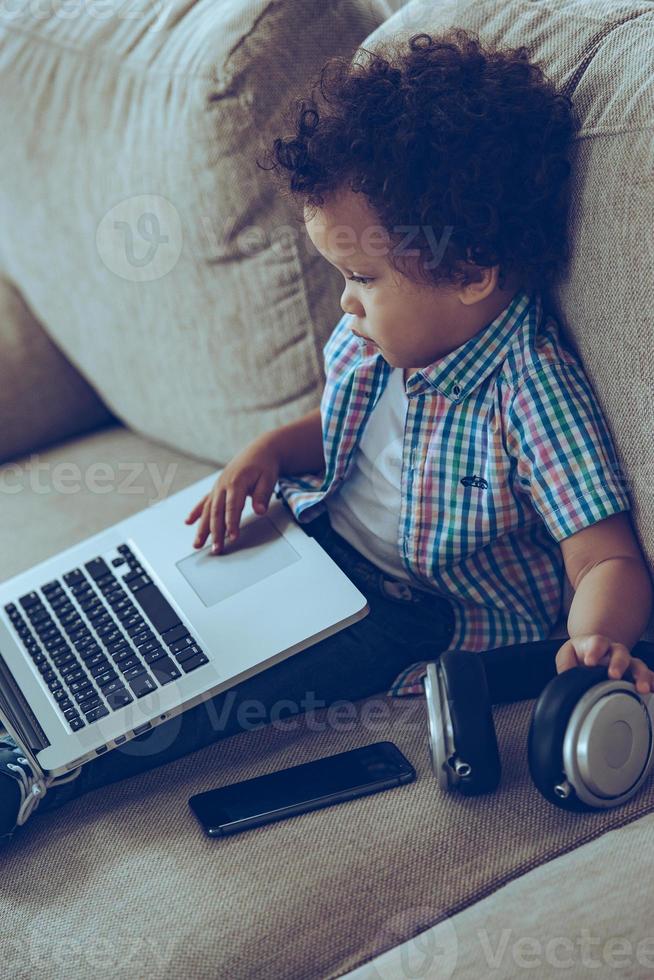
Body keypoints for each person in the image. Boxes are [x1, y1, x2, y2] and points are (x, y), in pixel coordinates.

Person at [2, 27, 653, 844]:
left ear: (471, 272)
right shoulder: (378, 337)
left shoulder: (529, 390)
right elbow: (352, 439)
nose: (345, 303)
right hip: (318, 536)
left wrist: (599, 640)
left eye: (361, 278)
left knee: (211, 684)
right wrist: (273, 451)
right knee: (138, 601)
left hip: (415, 612)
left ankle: (32, 774)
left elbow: (603, 555)